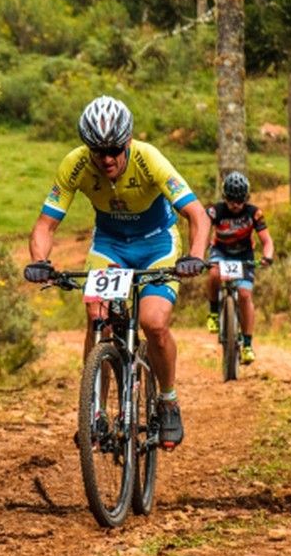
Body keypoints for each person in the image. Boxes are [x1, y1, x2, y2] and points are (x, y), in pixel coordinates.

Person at [23, 95, 211, 449]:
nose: (106, 158)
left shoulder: (148, 158)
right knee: (97, 316)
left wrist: (195, 255)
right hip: (110, 245)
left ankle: (167, 399)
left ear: (127, 141)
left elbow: (197, 214)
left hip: (157, 244)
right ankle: (94, 410)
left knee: (154, 323)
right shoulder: (75, 165)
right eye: (97, 150)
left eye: (113, 149)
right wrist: (41, 262)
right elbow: (45, 225)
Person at [204, 170, 275, 365]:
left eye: (240, 200)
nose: (236, 205)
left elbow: (267, 241)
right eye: (232, 200)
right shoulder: (216, 211)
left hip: (244, 254)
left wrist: (267, 257)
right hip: (221, 251)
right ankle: (213, 311)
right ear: (225, 197)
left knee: (244, 295)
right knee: (214, 275)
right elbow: (203, 232)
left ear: (246, 199)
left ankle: (248, 345)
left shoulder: (254, 213)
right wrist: (198, 255)